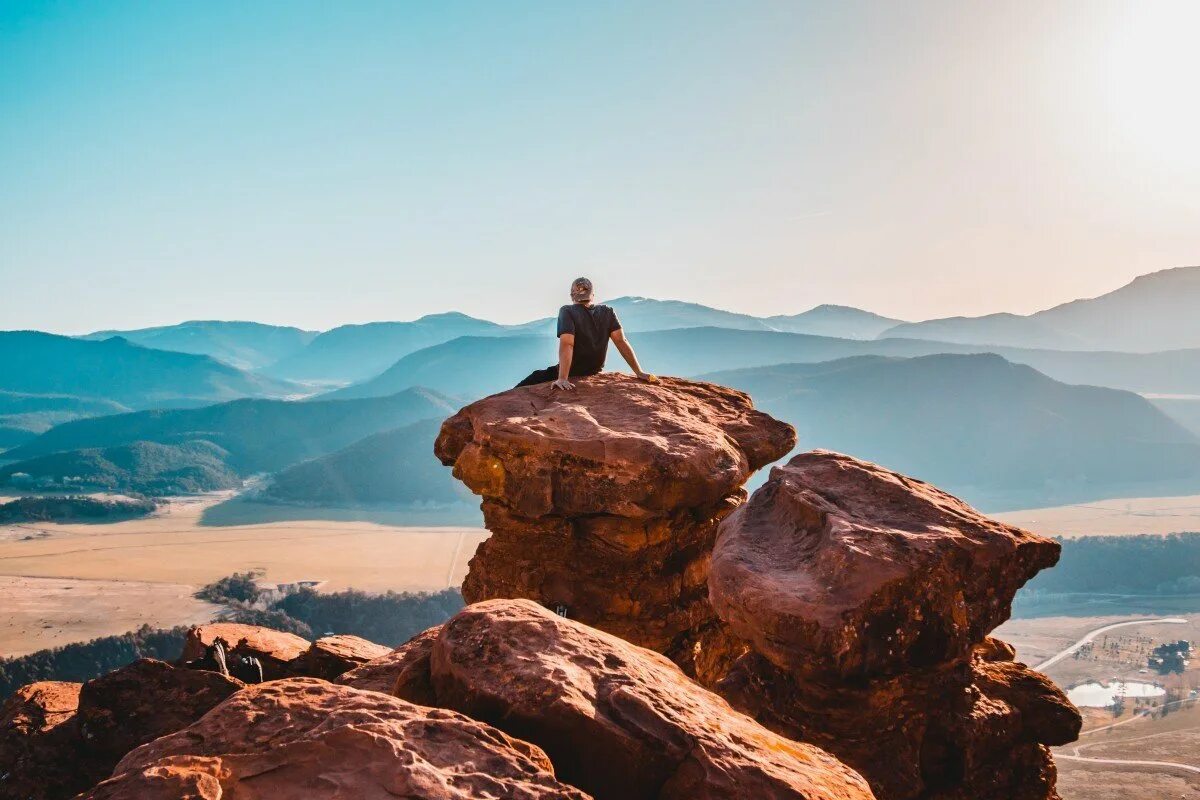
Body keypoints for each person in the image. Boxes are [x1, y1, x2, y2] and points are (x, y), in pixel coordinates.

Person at [516, 277, 655, 390]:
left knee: (532, 380)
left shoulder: (567, 311)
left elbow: (567, 343)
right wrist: (639, 372)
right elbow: (621, 341)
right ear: (592, 294)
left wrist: (562, 378)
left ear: (572, 295)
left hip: (573, 371)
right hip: (594, 370)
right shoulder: (608, 311)